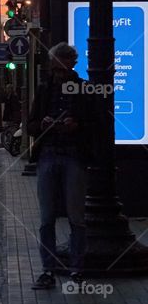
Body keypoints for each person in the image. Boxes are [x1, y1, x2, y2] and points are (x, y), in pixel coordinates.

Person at [27, 42, 94, 289]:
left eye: (62, 70)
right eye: (55, 69)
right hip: (49, 153)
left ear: (72, 65)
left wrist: (76, 124)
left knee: (75, 216)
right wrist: (43, 124)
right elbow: (31, 123)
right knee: (47, 217)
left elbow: (94, 123)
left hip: (73, 155)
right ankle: (49, 270)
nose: (58, 74)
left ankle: (75, 270)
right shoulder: (45, 89)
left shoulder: (83, 89)